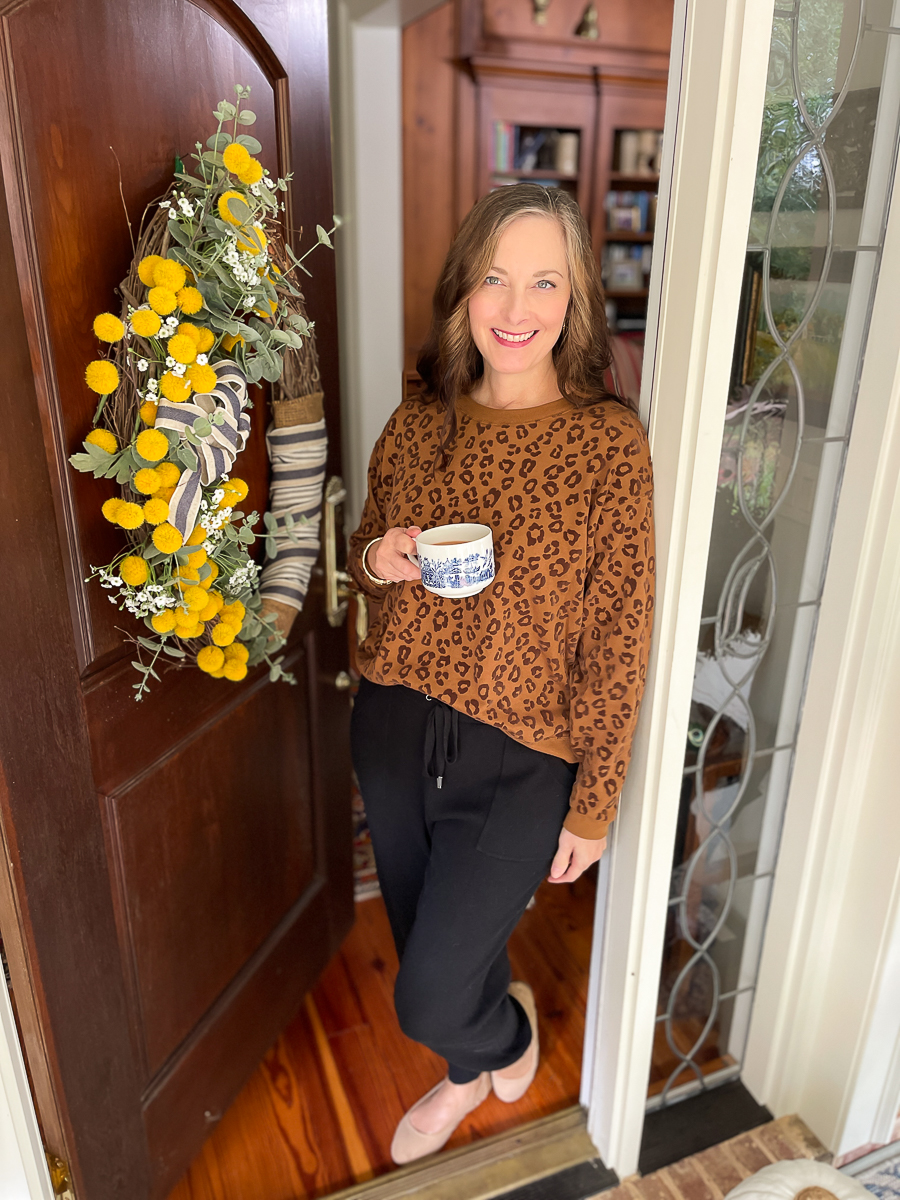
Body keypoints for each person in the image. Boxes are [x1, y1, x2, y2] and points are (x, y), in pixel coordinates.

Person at [347, 183, 655, 1164]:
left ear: (574, 305)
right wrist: (377, 558)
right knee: (431, 941)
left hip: (523, 761)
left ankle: (503, 1036)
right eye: (493, 279)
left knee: (430, 988)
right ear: (463, 294)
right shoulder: (417, 424)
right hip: (395, 727)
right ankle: (466, 1073)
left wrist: (595, 803)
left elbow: (621, 634)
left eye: (543, 283)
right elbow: (363, 545)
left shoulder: (608, 445)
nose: (515, 309)